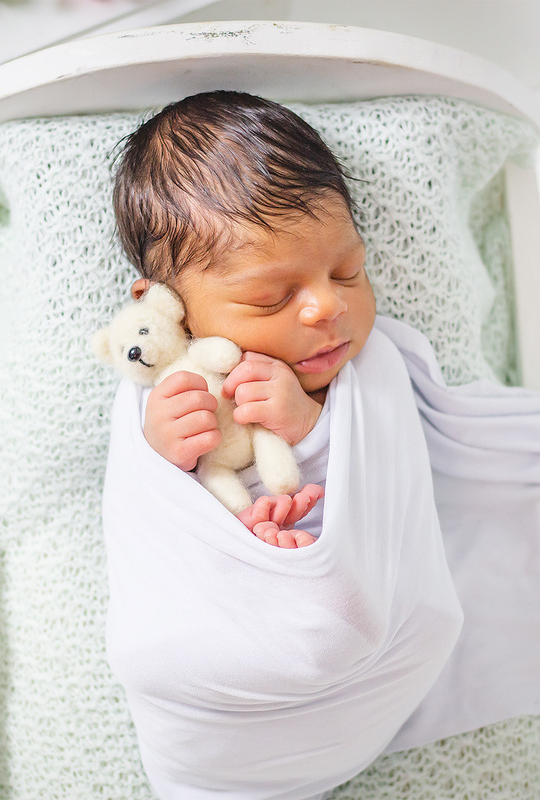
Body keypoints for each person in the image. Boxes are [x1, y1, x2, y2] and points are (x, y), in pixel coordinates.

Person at [112, 90, 376, 549]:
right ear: (167, 306)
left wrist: (311, 425)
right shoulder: (156, 395)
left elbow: (400, 467)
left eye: (347, 272)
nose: (329, 305)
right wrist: (164, 453)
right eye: (271, 298)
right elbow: (140, 514)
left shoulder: (377, 365)